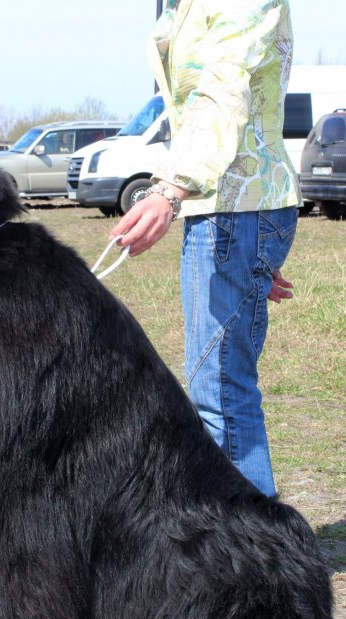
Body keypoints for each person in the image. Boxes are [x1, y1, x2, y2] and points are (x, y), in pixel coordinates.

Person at [110, 0, 301, 497]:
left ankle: (253, 555)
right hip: (232, 211)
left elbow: (224, 89)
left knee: (219, 392)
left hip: (235, 207)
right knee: (216, 387)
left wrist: (170, 188)